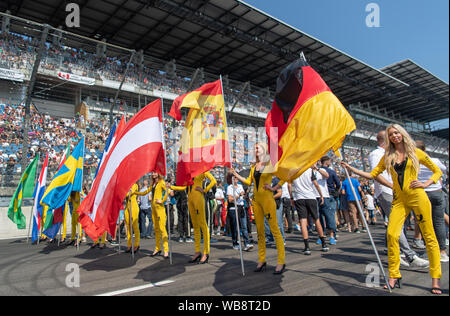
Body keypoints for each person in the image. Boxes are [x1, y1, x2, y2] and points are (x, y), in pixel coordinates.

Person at [341, 124, 443, 294]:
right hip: (399, 199)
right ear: (389, 138)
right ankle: (394, 274)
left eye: (397, 133)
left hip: (418, 196)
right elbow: (373, 174)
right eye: (391, 134)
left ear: (402, 134)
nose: (395, 136)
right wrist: (352, 169)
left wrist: (425, 183)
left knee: (429, 236)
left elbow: (437, 171)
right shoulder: (388, 156)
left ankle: (435, 278)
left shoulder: (416, 152)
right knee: (392, 234)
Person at [368, 130, 428, 269]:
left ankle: (396, 253)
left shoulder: (392, 154)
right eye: (391, 136)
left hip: (398, 193)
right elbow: (375, 174)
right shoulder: (376, 154)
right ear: (385, 140)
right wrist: (393, 186)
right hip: (387, 192)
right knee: (397, 224)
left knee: (397, 224)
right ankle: (410, 255)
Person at [231, 143, 286, 274]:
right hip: (256, 201)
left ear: (264, 150)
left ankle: (281, 261)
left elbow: (284, 177)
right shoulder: (253, 167)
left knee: (275, 230)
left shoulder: (270, 164)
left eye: (257, 147)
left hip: (267, 200)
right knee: (260, 232)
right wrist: (235, 174)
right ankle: (262, 260)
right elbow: (249, 182)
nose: (255, 149)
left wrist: (273, 188)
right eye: (254, 148)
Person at [171, 171, 217, 264]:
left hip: (199, 199)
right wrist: (171, 187)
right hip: (190, 200)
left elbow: (213, 181)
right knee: (195, 227)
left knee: (203, 225)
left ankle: (205, 252)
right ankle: (197, 252)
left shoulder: (203, 170)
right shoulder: (189, 173)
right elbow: (184, 187)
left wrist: (205, 190)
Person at [416, 140, 448, 263]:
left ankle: (430, 251)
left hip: (422, 193)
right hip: (437, 192)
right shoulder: (435, 161)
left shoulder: (415, 162)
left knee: (425, 223)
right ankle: (442, 251)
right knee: (439, 222)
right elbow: (443, 170)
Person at [135, 173, 169, 259]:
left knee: (162, 229)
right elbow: (145, 192)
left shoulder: (161, 182)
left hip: (160, 208)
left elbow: (167, 191)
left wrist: (162, 200)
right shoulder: (153, 184)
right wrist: (135, 192)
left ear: (158, 173)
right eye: (152, 173)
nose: (153, 174)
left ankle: (166, 250)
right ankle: (157, 248)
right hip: (153, 208)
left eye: (155, 172)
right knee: (156, 229)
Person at [227, 173, 253, 251]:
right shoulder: (230, 187)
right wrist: (238, 195)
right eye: (235, 177)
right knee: (235, 227)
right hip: (234, 208)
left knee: (244, 226)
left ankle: (246, 243)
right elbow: (230, 199)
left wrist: (245, 194)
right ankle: (235, 243)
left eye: (237, 177)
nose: (236, 179)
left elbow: (243, 195)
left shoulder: (240, 186)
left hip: (241, 207)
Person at [124, 183, 141, 253]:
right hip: (127, 207)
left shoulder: (135, 185)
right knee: (128, 226)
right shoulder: (127, 185)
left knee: (135, 226)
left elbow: (128, 194)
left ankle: (136, 244)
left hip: (133, 206)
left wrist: (124, 192)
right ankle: (129, 244)